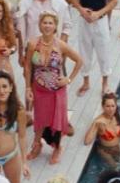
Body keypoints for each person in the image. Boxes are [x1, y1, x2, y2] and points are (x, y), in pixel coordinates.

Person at [25, 11, 83, 165]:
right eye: (45, 22)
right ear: (40, 25)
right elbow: (28, 67)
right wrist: (28, 88)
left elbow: (79, 60)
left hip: (56, 92)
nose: (47, 26)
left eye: (50, 23)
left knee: (56, 122)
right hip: (39, 90)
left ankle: (57, 148)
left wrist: (68, 79)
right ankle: (37, 145)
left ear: (55, 26)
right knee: (40, 120)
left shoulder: (60, 45)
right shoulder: (33, 44)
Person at [71, 0, 118, 96]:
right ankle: (86, 82)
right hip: (84, 21)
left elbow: (114, 0)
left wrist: (99, 13)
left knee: (104, 53)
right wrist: (81, 10)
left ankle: (105, 83)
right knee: (85, 53)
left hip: (100, 21)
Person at [84, 91, 120, 167]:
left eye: (113, 106)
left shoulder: (116, 116)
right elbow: (87, 141)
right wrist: (94, 124)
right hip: (105, 151)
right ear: (103, 107)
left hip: (117, 147)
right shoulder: (100, 122)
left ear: (116, 106)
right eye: (108, 106)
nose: (111, 109)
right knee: (115, 167)